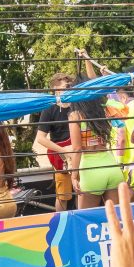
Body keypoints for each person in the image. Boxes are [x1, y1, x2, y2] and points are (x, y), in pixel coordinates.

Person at [34, 74, 79, 212]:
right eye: (66, 86)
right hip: (62, 157)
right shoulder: (49, 109)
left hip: (78, 154)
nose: (69, 89)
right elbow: (40, 138)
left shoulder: (77, 105)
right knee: (63, 195)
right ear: (55, 89)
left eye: (70, 86)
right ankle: (61, 223)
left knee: (82, 191)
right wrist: (65, 151)